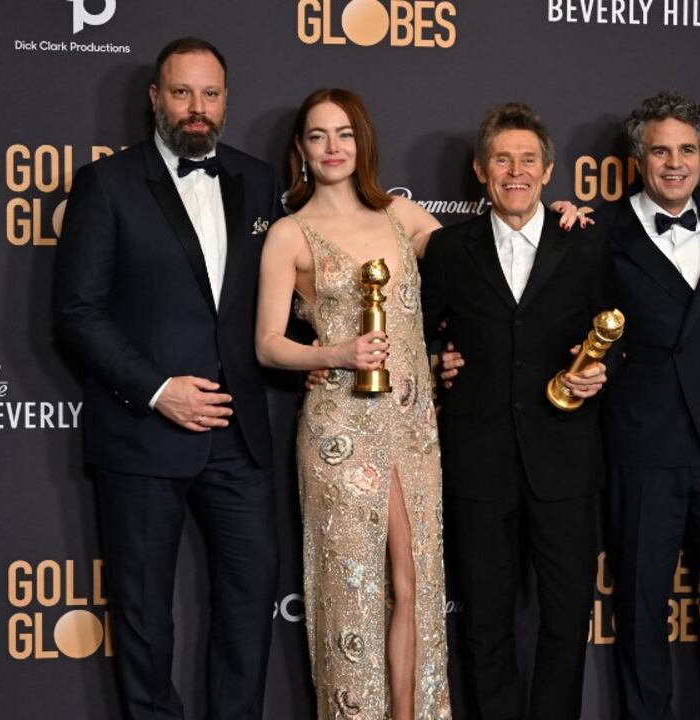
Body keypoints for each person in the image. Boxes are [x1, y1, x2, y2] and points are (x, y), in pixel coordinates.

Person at [53, 37, 282, 720]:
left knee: (248, 610)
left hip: (239, 441)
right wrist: (159, 390)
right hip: (143, 433)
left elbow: (302, 292)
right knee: (145, 617)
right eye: (182, 93)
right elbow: (76, 313)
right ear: (156, 99)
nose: (197, 108)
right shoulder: (107, 185)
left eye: (210, 94)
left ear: (225, 100)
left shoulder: (262, 182)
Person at [253, 88, 450, 720]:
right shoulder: (289, 233)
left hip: (413, 425)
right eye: (318, 135)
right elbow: (267, 344)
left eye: (344, 133)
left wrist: (553, 215)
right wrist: (331, 355)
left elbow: (486, 264)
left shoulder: (404, 218)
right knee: (353, 592)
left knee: (414, 586)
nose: (333, 147)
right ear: (301, 150)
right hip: (339, 431)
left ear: (362, 142)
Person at [419, 103, 614, 720]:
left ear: (549, 170)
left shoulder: (583, 243)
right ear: (480, 169)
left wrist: (603, 372)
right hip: (479, 461)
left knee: (564, 618)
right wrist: (436, 361)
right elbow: (421, 335)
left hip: (565, 459)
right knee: (484, 619)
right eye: (502, 159)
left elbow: (617, 334)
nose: (515, 171)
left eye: (528, 159)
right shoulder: (449, 249)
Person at [596, 90, 700, 720]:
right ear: (639, 158)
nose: (674, 163)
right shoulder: (600, 229)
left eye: (687, 150)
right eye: (660, 150)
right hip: (644, 445)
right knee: (641, 607)